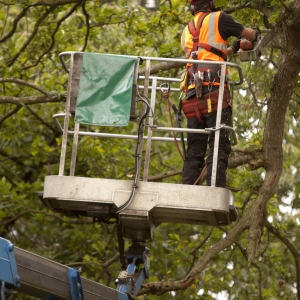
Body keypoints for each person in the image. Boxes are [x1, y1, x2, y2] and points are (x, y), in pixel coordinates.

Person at [180, 0, 256, 187]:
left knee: (195, 148)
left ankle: (188, 190)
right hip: (214, 93)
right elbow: (250, 35)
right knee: (218, 145)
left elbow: (208, 51)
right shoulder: (219, 18)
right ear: (211, 4)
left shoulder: (186, 31)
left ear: (193, 7)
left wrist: (234, 48)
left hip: (192, 95)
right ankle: (214, 190)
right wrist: (251, 36)